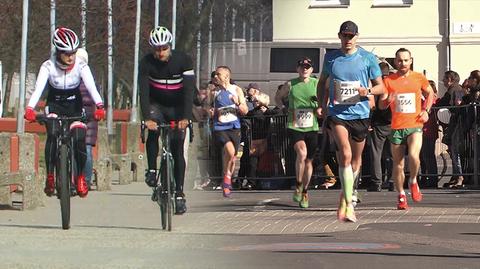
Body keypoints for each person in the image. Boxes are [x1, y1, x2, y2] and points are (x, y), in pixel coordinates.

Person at [24, 27, 105, 198]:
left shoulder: (81, 66)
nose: (71, 57)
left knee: (79, 138)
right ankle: (51, 175)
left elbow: (91, 87)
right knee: (52, 133)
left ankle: (81, 176)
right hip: (55, 105)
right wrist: (30, 108)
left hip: (74, 105)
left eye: (73, 53)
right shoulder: (48, 66)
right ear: (58, 51)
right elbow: (38, 89)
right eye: (67, 53)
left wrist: (100, 105)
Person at [317, 21, 385, 221]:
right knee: (345, 154)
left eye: (351, 36)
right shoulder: (331, 58)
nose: (348, 40)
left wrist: (368, 91)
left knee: (356, 161)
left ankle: (346, 194)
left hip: (361, 115)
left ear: (357, 37)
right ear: (339, 36)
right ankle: (348, 204)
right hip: (337, 113)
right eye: (344, 36)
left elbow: (381, 88)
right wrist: (322, 103)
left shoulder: (367, 58)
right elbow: (322, 82)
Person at [138, 26, 195, 214]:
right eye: (156, 49)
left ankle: (179, 193)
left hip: (178, 106)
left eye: (164, 48)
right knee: (153, 130)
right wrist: (147, 118)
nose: (160, 52)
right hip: (157, 105)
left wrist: (186, 117)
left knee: (178, 148)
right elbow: (144, 93)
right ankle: (153, 170)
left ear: (170, 46)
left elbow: (188, 92)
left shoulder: (183, 60)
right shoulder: (146, 63)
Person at [380, 47, 434, 210]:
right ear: (394, 62)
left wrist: (426, 110)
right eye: (399, 60)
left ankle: (413, 181)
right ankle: (401, 195)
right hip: (397, 127)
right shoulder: (388, 80)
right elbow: (381, 105)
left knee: (413, 155)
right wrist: (388, 99)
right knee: (398, 165)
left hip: (415, 124)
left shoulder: (418, 78)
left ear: (410, 61)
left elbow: (430, 93)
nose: (402, 63)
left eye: (405, 60)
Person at [275, 57, 319, 208]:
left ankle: (305, 191)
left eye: (307, 66)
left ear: (312, 70)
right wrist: (283, 108)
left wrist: (319, 107)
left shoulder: (316, 83)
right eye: (302, 66)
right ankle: (298, 184)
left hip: (312, 126)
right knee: (302, 153)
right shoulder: (290, 84)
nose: (304, 69)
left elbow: (324, 101)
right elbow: (278, 97)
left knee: (309, 161)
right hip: (295, 125)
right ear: (297, 69)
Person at [210, 66, 248, 197]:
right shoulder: (213, 92)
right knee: (230, 151)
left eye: (218, 75)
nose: (215, 77)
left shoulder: (236, 90)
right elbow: (206, 108)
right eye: (215, 75)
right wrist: (209, 111)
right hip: (220, 127)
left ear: (226, 76)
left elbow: (245, 110)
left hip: (234, 127)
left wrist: (237, 103)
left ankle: (227, 177)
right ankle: (226, 178)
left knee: (232, 157)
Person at [366, 62, 392, 192]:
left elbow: (372, 105)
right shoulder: (394, 82)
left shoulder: (378, 85)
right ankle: (393, 181)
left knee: (376, 153)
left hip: (379, 123)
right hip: (394, 122)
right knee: (393, 154)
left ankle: (377, 182)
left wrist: (369, 121)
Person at [76, 48, 100, 189]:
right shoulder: (90, 77)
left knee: (85, 149)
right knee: (86, 149)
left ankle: (85, 179)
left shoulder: (78, 78)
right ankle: (86, 180)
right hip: (89, 117)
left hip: (86, 117)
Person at [419, 80, 439, 188]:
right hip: (424, 131)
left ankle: (432, 180)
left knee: (429, 156)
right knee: (423, 157)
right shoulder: (425, 100)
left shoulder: (431, 101)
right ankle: (425, 177)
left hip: (428, 131)